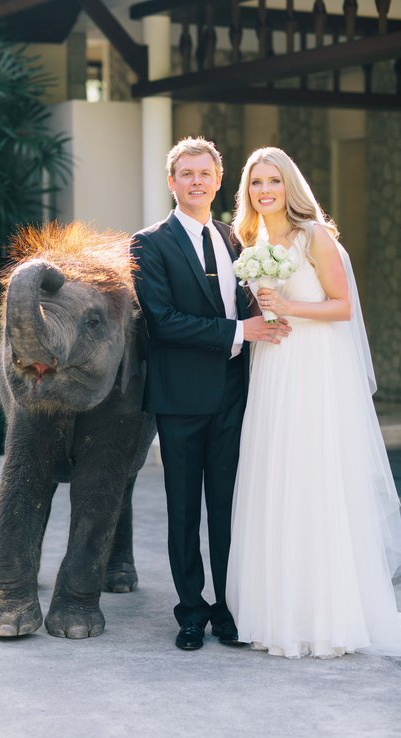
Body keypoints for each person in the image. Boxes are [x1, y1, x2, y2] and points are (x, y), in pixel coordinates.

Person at [225, 146, 401, 658]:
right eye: (256, 183)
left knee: (312, 477)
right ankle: (277, 612)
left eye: (273, 182)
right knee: (275, 477)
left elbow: (343, 306)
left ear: (289, 187)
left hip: (312, 370)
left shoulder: (313, 236)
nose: (264, 191)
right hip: (272, 366)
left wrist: (289, 307)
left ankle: (325, 618)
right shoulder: (251, 240)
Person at [131, 137, 291, 650]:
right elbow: (163, 321)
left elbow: (250, 302)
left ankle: (227, 608)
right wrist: (241, 332)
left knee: (228, 507)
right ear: (172, 182)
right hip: (180, 398)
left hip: (234, 393)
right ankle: (190, 613)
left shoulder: (237, 239)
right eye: (186, 174)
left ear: (219, 181)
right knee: (183, 511)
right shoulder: (148, 243)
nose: (196, 181)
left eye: (205, 173)